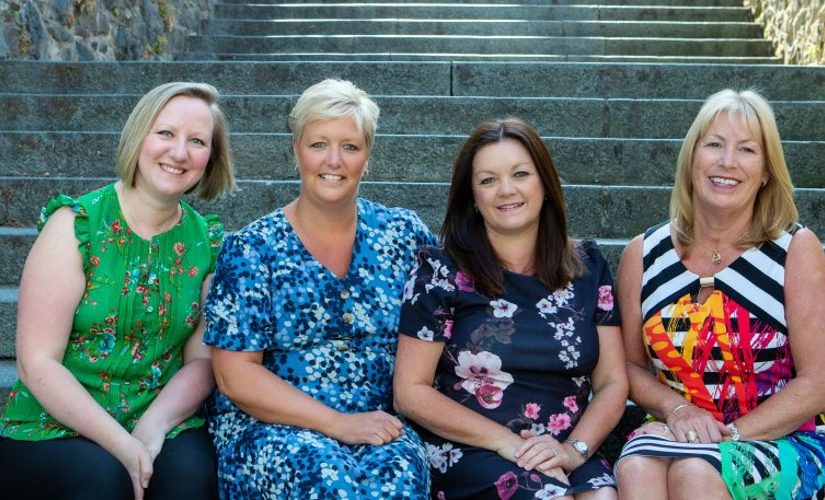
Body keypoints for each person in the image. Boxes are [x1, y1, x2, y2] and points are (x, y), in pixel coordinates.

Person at [0, 81, 236, 499]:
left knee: (192, 481)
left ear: (210, 158)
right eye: (165, 133)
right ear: (138, 136)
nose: (179, 152)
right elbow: (37, 362)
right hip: (56, 422)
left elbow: (201, 361)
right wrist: (122, 444)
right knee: (104, 483)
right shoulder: (75, 227)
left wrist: (153, 426)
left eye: (197, 141)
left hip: (158, 414)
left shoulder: (207, 243)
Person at [203, 78, 435, 499]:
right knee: (325, 479)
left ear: (368, 155)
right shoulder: (253, 248)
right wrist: (338, 424)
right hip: (272, 426)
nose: (334, 160)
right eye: (318, 144)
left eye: (350, 146)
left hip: (382, 423)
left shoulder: (405, 235)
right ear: (296, 150)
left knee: (397, 478)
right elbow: (234, 374)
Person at [393, 118, 628, 499]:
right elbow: (410, 391)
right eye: (488, 180)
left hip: (562, 447)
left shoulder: (588, 268)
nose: (506, 190)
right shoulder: (440, 272)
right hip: (473, 448)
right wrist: (509, 444)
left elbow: (613, 382)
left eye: (520, 173)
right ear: (472, 196)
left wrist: (573, 451)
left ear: (545, 184)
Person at [614, 89, 825, 499]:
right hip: (676, 429)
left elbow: (818, 381)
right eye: (714, 145)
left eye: (746, 150)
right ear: (692, 156)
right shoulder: (642, 254)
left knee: (695, 471)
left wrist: (726, 437)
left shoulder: (795, 251)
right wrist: (679, 411)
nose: (727, 162)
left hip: (777, 438)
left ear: (765, 170)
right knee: (639, 465)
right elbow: (630, 368)